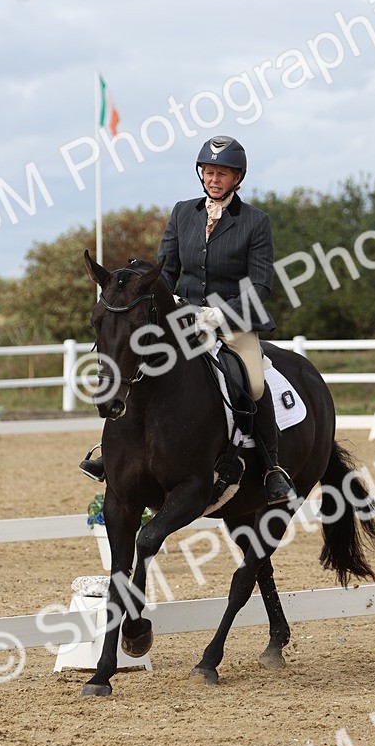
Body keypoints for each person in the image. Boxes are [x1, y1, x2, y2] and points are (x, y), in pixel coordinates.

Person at [80, 135, 296, 505]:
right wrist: (169, 300)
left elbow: (261, 285)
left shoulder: (255, 222)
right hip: (185, 317)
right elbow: (165, 272)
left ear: (237, 178)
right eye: (208, 172)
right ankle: (114, 454)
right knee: (140, 364)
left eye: (222, 173)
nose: (214, 179)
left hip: (232, 321)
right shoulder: (183, 213)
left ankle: (272, 467)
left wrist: (221, 313)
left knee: (254, 382)